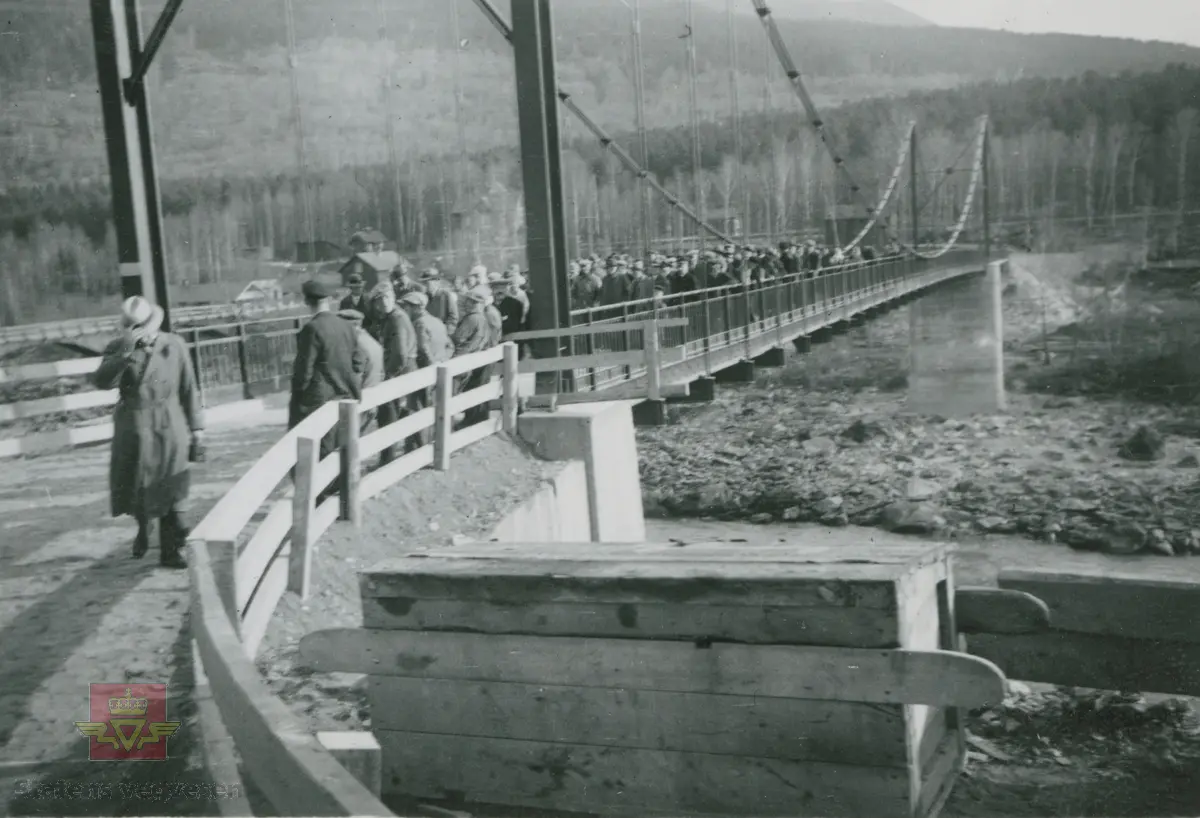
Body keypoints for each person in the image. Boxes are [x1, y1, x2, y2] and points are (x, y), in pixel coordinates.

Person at [93, 295, 203, 569]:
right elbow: (101, 382)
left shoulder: (174, 344)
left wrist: (197, 429)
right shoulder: (119, 347)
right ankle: (144, 527)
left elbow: (189, 387)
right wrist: (126, 352)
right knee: (139, 486)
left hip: (170, 422)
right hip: (135, 427)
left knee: (173, 486)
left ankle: (171, 549)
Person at [289, 279, 363, 467]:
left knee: (319, 451)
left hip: (320, 400)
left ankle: (322, 493)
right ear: (329, 300)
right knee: (342, 448)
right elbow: (358, 362)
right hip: (347, 396)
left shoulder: (312, 329)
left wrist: (297, 397)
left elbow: (303, 372)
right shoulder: (346, 326)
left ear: (307, 302)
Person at [369, 281, 418, 460]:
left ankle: (388, 459)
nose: (383, 303)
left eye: (387, 298)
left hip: (400, 372)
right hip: (401, 370)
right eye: (380, 300)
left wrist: (388, 376)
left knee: (388, 416)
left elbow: (399, 354)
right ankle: (405, 452)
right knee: (402, 413)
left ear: (393, 297)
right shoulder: (391, 317)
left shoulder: (396, 318)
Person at [400, 290, 453, 447]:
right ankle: (427, 444)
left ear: (418, 308)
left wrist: (430, 366)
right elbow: (450, 345)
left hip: (424, 373)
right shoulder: (437, 321)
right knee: (433, 409)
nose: (405, 310)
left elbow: (422, 348)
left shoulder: (419, 323)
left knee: (418, 410)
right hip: (438, 370)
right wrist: (442, 361)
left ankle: (421, 446)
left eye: (408, 307)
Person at [451, 288, 497, 427]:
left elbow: (458, 338)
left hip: (463, 358)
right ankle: (475, 421)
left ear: (477, 304)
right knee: (476, 390)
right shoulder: (482, 318)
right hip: (475, 358)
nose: (466, 304)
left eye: (470, 302)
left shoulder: (472, 318)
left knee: (455, 393)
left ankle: (465, 423)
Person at [338, 308, 384, 435]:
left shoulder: (356, 345)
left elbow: (355, 379)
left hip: (359, 403)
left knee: (348, 445)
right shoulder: (371, 341)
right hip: (372, 400)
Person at [422, 267, 460, 336]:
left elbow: (453, 317)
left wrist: (445, 332)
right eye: (424, 282)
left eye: (427, 282)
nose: (425, 285)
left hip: (442, 334)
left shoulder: (446, 295)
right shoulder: (424, 297)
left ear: (436, 281)